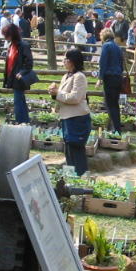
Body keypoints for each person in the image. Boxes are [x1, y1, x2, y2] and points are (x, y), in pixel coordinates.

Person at [48, 48, 91, 176]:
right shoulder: (66, 75)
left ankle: (82, 179)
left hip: (77, 118)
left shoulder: (79, 77)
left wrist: (58, 93)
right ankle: (72, 177)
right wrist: (53, 93)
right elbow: (62, 96)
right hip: (67, 118)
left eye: (66, 59)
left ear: (72, 61)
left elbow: (75, 98)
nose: (64, 61)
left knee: (76, 149)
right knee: (69, 150)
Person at [2, 23, 33, 124]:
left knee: (18, 101)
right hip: (13, 77)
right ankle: (24, 121)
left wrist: (22, 72)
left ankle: (20, 122)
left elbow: (29, 62)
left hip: (20, 77)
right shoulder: (11, 46)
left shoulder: (24, 46)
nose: (5, 37)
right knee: (20, 100)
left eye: (7, 35)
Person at [96, 28, 124, 133]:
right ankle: (116, 128)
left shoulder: (106, 46)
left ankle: (115, 129)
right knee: (115, 104)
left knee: (109, 104)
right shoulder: (117, 46)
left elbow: (103, 63)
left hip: (110, 77)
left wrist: (100, 78)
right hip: (118, 77)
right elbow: (121, 63)